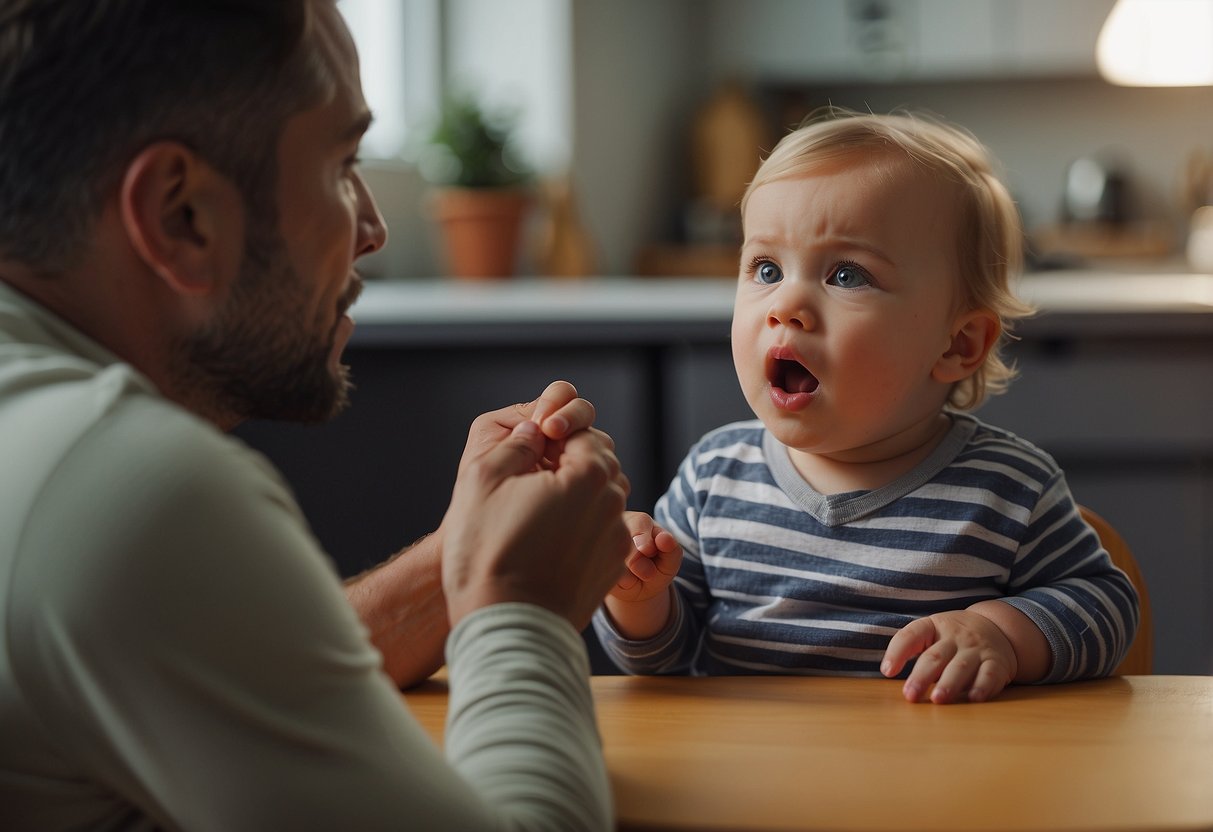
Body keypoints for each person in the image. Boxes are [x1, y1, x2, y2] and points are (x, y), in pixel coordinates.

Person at [0, 1, 631, 829]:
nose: (371, 227)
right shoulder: (120, 481)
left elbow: (225, 656)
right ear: (179, 215)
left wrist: (460, 563)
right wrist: (523, 609)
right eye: (341, 164)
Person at [593, 110, 1140, 705]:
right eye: (767, 269)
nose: (787, 305)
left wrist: (1001, 635)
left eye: (847, 274)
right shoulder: (713, 477)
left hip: (932, 786)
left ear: (957, 344)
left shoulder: (1008, 491)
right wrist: (637, 597)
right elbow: (661, 661)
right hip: (747, 785)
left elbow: (1106, 611)